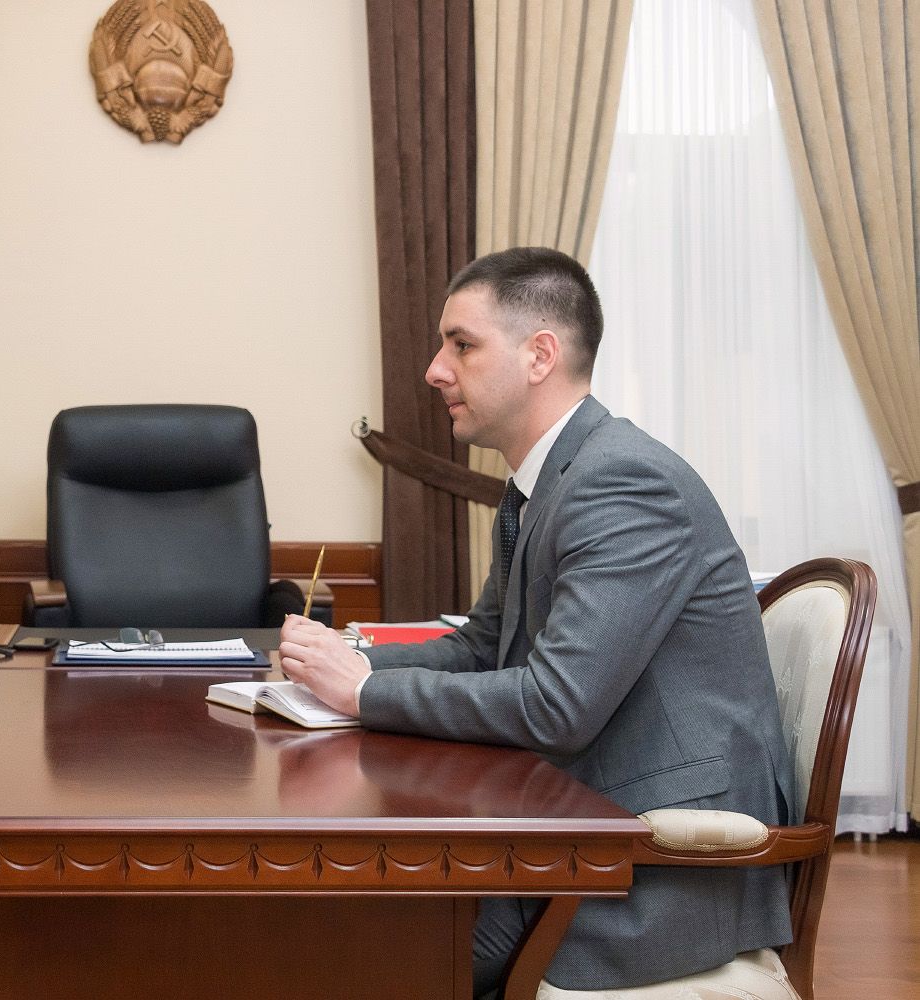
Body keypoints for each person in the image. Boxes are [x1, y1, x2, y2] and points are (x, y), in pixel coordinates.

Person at [279, 247, 797, 996]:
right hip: (573, 828)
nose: (434, 370)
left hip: (646, 865)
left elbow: (558, 704)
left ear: (539, 355)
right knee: (323, 920)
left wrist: (362, 693)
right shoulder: (546, 481)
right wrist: (338, 666)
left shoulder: (622, 482)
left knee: (344, 944)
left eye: (461, 344)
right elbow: (483, 647)